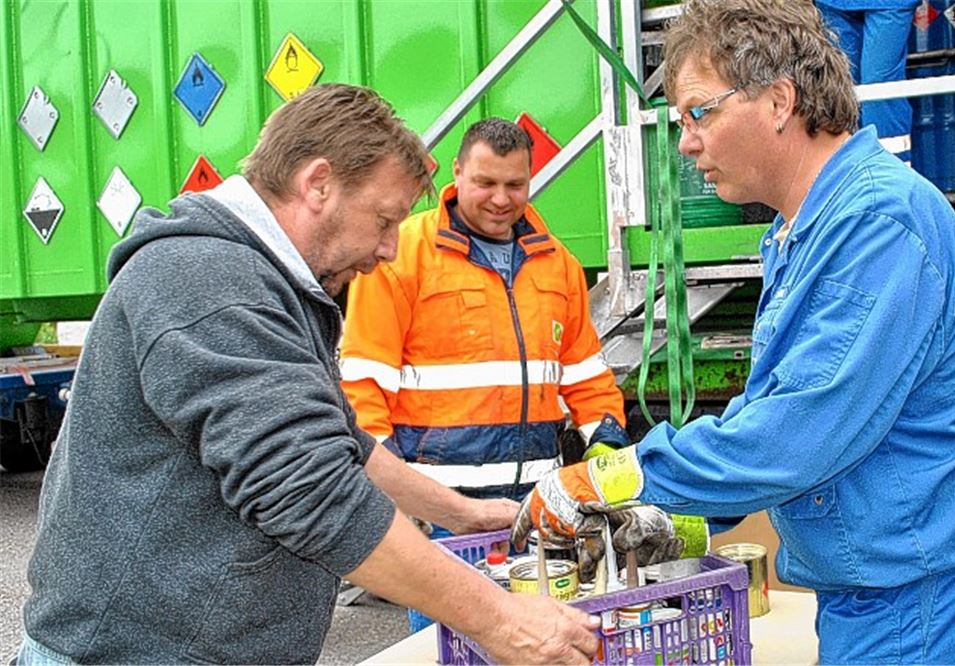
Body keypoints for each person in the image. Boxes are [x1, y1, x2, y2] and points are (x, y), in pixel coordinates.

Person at [512, 1, 955, 663]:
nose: (686, 141)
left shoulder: (877, 221)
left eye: (700, 112)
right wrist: (679, 520)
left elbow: (798, 434)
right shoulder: (802, 231)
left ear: (780, 100)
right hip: (885, 598)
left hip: (921, 608)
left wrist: (604, 481)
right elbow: (771, 417)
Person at [18, 84, 598, 665]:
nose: (390, 249)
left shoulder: (273, 285)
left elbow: (345, 445)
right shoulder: (209, 283)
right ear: (318, 183)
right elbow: (314, 492)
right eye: (384, 220)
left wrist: (462, 512)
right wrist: (502, 623)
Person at [339, 116, 634, 629]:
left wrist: (605, 445)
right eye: (486, 183)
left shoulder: (556, 262)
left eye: (515, 185)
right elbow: (364, 387)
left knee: (540, 644)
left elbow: (587, 377)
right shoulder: (403, 255)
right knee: (449, 646)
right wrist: (393, 497)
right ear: (456, 174)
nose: (501, 199)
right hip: (444, 521)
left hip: (538, 512)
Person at [817, 0, 921, 164]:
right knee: (840, 91)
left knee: (879, 92)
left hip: (888, 5)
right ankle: (849, 175)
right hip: (833, 5)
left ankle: (891, 175)